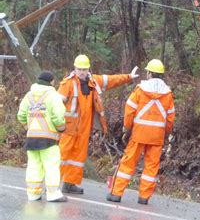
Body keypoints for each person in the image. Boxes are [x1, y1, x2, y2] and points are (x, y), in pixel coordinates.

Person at [58, 54, 139, 194]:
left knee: (78, 157)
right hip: (69, 127)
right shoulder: (68, 83)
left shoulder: (93, 81)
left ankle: (69, 184)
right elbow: (56, 103)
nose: (82, 72)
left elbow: (111, 80)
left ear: (88, 69)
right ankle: (52, 184)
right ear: (74, 69)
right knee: (62, 155)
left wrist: (129, 77)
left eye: (84, 69)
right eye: (79, 69)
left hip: (84, 128)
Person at [106, 59, 175, 205]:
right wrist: (166, 133)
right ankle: (144, 197)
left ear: (149, 73)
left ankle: (116, 194)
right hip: (157, 137)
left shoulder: (140, 89)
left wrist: (126, 129)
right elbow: (170, 118)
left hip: (139, 134)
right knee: (151, 167)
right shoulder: (167, 94)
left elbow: (129, 109)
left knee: (128, 163)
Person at [17, 71, 67, 202]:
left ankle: (33, 194)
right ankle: (52, 193)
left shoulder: (28, 95)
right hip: (48, 139)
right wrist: (62, 128)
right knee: (51, 165)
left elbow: (21, 115)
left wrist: (27, 127)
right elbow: (58, 117)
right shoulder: (53, 96)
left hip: (31, 138)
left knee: (34, 165)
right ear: (51, 82)